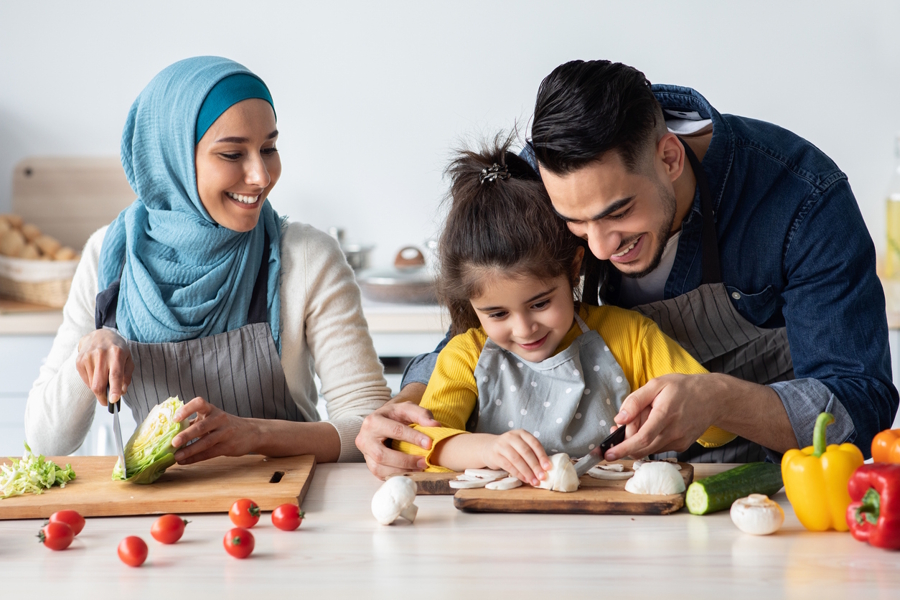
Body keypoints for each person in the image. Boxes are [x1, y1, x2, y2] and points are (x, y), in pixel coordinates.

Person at [358, 59, 898, 476]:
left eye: (617, 213)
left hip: (763, 485)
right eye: (574, 223)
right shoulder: (538, 179)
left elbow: (859, 402)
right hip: (606, 487)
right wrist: (409, 409)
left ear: (669, 157)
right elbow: (475, 333)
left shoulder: (800, 197)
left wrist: (717, 397)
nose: (596, 248)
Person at [25, 57, 391, 464]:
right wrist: (90, 346)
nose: (261, 176)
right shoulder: (109, 255)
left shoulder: (305, 256)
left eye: (268, 148)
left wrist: (257, 434)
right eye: (233, 154)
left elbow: (373, 427)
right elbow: (46, 444)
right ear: (172, 159)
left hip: (287, 510)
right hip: (160, 519)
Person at [392, 136, 734, 484]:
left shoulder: (628, 336)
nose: (524, 329)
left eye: (540, 303)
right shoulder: (465, 356)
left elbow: (718, 430)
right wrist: (486, 450)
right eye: (497, 314)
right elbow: (414, 446)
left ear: (573, 268)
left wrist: (697, 405)